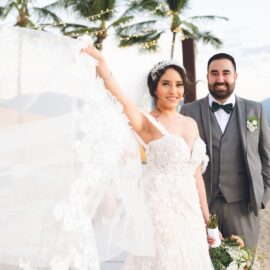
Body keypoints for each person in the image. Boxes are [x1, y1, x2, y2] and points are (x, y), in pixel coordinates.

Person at [82, 44, 213, 269]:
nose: (174, 91)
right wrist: (102, 65)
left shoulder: (190, 124)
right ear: (154, 89)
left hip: (190, 214)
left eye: (179, 85)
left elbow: (196, 176)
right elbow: (120, 97)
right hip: (161, 212)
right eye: (166, 84)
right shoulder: (146, 121)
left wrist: (208, 217)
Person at [180, 53, 270, 250]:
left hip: (243, 208)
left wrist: (262, 198)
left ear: (235, 76)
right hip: (202, 206)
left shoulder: (255, 110)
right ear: (207, 76)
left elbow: (267, 159)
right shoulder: (188, 111)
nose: (220, 79)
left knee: (242, 262)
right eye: (214, 73)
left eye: (226, 73)